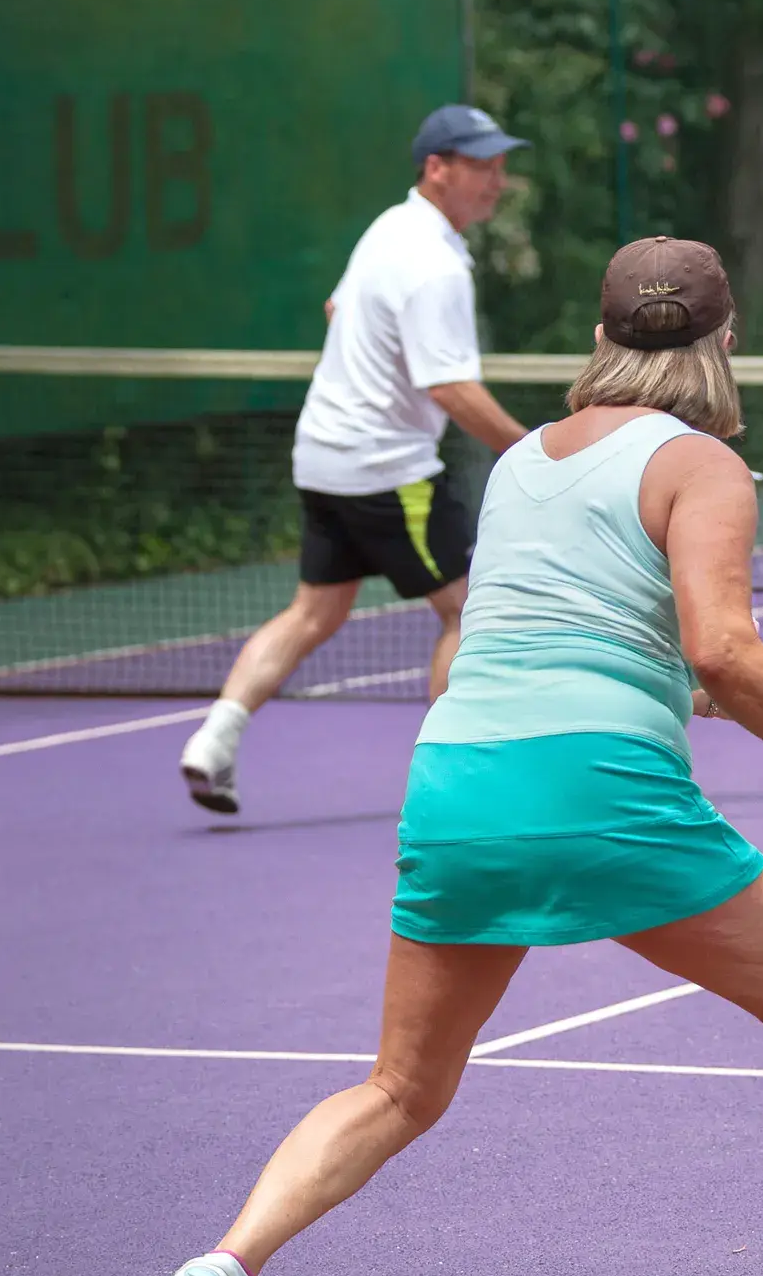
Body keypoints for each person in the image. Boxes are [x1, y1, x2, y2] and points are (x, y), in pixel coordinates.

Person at [143, 237, 763, 1276]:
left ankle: (215, 1275)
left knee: (398, 1086)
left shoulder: (519, 459)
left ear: (600, 338)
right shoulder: (700, 463)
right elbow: (721, 648)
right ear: (727, 340)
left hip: (458, 778)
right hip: (598, 792)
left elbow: (578, 644)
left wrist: (661, 700)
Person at [178, 106, 532, 814]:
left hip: (321, 457)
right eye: (482, 165)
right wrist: (534, 453)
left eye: (500, 164)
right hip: (388, 469)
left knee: (314, 610)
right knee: (470, 610)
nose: (497, 180)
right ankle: (450, 785)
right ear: (438, 169)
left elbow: (338, 310)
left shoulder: (388, 230)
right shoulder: (434, 266)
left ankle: (213, 741)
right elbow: (450, 388)